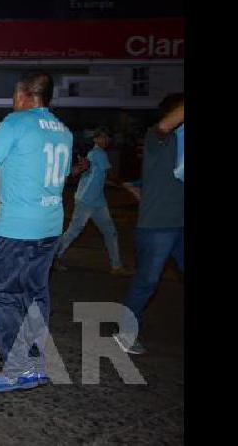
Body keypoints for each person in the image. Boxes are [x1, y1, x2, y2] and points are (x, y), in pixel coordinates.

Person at [0, 72, 72, 393]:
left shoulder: (14, 123)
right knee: (35, 294)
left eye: (14, 97)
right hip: (50, 225)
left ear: (24, 95)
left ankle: (19, 368)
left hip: (17, 226)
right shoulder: (64, 132)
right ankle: (35, 360)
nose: (13, 103)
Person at [114, 94, 184, 356]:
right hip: (158, 226)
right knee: (147, 281)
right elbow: (166, 126)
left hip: (179, 224)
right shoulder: (158, 137)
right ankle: (126, 332)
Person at [53, 127, 135, 276]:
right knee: (74, 231)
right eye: (102, 137)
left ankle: (116, 266)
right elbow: (110, 174)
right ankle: (54, 257)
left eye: (107, 137)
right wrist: (124, 184)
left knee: (110, 232)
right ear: (95, 139)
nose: (106, 140)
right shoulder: (98, 153)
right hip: (86, 199)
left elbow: (98, 175)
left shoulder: (95, 154)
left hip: (97, 200)